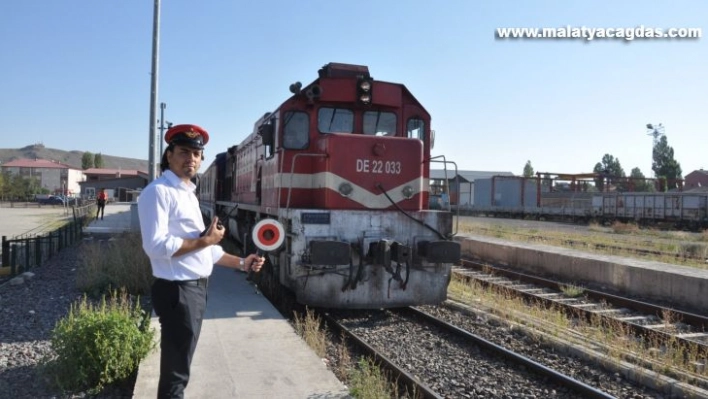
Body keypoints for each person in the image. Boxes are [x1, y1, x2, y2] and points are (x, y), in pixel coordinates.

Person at [137, 123, 265, 399]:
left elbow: (205, 251)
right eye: (184, 152)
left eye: (196, 154)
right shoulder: (159, 192)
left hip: (192, 290)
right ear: (169, 154)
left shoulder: (188, 193)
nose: (191, 159)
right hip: (178, 291)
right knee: (176, 375)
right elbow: (156, 246)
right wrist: (206, 240)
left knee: (180, 368)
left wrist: (243, 263)